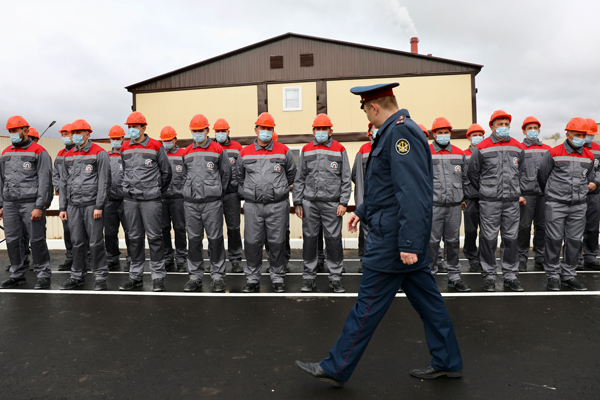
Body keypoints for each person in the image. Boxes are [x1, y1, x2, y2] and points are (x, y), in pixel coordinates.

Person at [295, 83, 462, 387]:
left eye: (364, 109)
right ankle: (448, 360)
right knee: (430, 304)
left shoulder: (399, 133)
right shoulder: (396, 131)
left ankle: (337, 366)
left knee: (366, 307)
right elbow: (387, 186)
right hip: (397, 234)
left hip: (393, 241)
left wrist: (410, 242)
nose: (367, 115)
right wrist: (363, 209)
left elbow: (411, 190)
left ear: (373, 107)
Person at [238, 113, 297, 293]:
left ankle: (277, 277)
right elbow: (239, 177)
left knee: (277, 242)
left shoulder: (284, 150)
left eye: (269, 128)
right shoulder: (245, 152)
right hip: (253, 206)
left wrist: (278, 191)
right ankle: (253, 278)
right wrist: (250, 192)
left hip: (277, 205)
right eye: (262, 128)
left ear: (273, 130)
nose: (265, 131)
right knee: (252, 242)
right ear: (256, 129)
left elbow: (292, 174)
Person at [467, 110, 525, 292]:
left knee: (511, 238)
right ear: (491, 126)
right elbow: (473, 173)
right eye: (500, 124)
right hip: (489, 202)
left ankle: (510, 275)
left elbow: (520, 172)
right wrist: (486, 190)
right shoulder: (482, 147)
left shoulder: (518, 147)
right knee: (488, 238)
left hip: (511, 202)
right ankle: (490, 276)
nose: (503, 127)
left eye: (506, 124)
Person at [293, 114, 351, 293]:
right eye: (317, 129)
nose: (320, 132)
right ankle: (309, 278)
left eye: (324, 129)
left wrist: (343, 202)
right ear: (313, 131)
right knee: (310, 240)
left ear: (330, 131)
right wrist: (297, 202)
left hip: (332, 204)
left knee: (333, 241)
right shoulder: (306, 149)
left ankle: (335, 277)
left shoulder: (340, 149)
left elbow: (346, 179)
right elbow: (300, 177)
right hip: (310, 203)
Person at [537, 117, 594, 291]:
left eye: (583, 135)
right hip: (556, 204)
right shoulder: (554, 153)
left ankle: (569, 274)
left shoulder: (589, 155)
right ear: (567, 133)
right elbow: (542, 176)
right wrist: (552, 194)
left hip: (578, 205)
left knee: (574, 241)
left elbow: (588, 177)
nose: (581, 138)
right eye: (577, 134)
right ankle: (553, 275)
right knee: (554, 240)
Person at [119, 112, 172, 292]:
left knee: (155, 238)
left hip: (151, 200)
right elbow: (124, 170)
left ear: (143, 128)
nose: (131, 130)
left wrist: (157, 191)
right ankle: (135, 276)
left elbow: (166, 173)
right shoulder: (124, 147)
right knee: (134, 238)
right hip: (130, 200)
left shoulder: (156, 146)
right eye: (130, 127)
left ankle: (157, 276)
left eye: (135, 127)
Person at [0, 116, 53, 290]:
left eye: (15, 130)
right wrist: (1, 204)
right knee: (13, 240)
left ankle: (43, 274)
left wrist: (40, 205)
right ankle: (17, 274)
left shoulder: (39, 151)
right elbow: (1, 180)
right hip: (10, 203)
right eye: (10, 131)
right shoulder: (6, 152)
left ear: (25, 130)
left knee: (37, 239)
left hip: (31, 203)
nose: (12, 134)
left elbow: (45, 181)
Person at [58, 119, 110, 290]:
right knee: (77, 242)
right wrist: (63, 207)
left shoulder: (99, 153)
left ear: (88, 133)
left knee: (95, 242)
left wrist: (99, 206)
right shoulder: (69, 155)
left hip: (91, 205)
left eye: (80, 132)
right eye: (74, 133)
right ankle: (77, 276)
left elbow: (104, 182)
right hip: (73, 206)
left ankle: (100, 277)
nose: (76, 136)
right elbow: (64, 183)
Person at [181, 114, 230, 292]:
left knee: (215, 240)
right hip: (191, 204)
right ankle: (195, 277)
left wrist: (215, 192)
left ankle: (217, 277)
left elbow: (226, 175)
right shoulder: (186, 152)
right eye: (194, 131)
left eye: (200, 131)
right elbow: (183, 176)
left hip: (212, 204)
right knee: (193, 241)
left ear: (207, 131)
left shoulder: (218, 150)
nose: (197, 134)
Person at [428, 117, 470, 291]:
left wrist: (464, 198)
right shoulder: (425, 151)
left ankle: (454, 276)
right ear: (434, 134)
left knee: (452, 242)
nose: (444, 135)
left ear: (450, 133)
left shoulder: (459, 153)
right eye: (440, 132)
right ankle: (429, 276)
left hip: (454, 206)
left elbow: (465, 178)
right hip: (433, 205)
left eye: (446, 132)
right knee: (431, 242)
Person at [517, 117, 551, 272]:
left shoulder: (548, 149)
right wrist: (518, 193)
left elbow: (552, 172)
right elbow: (514, 173)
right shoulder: (519, 149)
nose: (532, 130)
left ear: (539, 130)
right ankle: (521, 258)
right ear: (524, 131)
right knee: (523, 227)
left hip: (544, 195)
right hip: (526, 195)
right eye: (529, 128)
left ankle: (540, 257)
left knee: (542, 226)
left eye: (535, 127)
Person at [213, 118, 244, 273]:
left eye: (222, 131)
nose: (220, 134)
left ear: (228, 131)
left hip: (232, 195)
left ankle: (236, 259)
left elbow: (241, 171)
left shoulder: (237, 148)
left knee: (233, 228)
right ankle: (216, 260)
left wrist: (240, 189)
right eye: (217, 131)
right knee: (214, 230)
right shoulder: (210, 147)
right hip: (214, 196)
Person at [159, 125, 188, 273]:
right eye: (164, 140)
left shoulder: (183, 154)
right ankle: (167, 258)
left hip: (178, 198)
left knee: (180, 229)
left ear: (175, 139)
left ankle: (182, 259)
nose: (166, 143)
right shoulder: (159, 153)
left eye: (169, 140)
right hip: (162, 198)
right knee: (163, 229)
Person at [104, 125, 132, 271]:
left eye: (118, 138)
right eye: (113, 138)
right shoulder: (106, 156)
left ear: (123, 139)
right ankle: (112, 258)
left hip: (125, 200)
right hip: (109, 201)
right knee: (109, 232)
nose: (115, 141)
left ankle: (132, 259)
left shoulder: (127, 155)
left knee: (130, 231)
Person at [462, 124, 484, 272]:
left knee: (486, 231)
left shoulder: (486, 152)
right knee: (470, 231)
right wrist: (462, 197)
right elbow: (459, 177)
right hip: (469, 198)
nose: (477, 137)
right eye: (474, 135)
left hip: (486, 197)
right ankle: (472, 258)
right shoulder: (463, 154)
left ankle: (484, 258)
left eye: (479, 134)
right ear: (469, 138)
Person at [351, 124, 373, 273]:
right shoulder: (363, 150)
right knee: (366, 233)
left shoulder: (390, 146)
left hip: (387, 202)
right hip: (368, 201)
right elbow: (356, 176)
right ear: (369, 132)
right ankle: (367, 261)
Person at [581, 118, 600, 270]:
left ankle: (590, 257)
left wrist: (595, 182)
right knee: (574, 227)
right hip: (577, 193)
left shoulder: (598, 149)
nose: (589, 137)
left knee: (592, 227)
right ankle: (573, 258)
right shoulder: (573, 148)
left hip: (594, 194)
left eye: (591, 134)